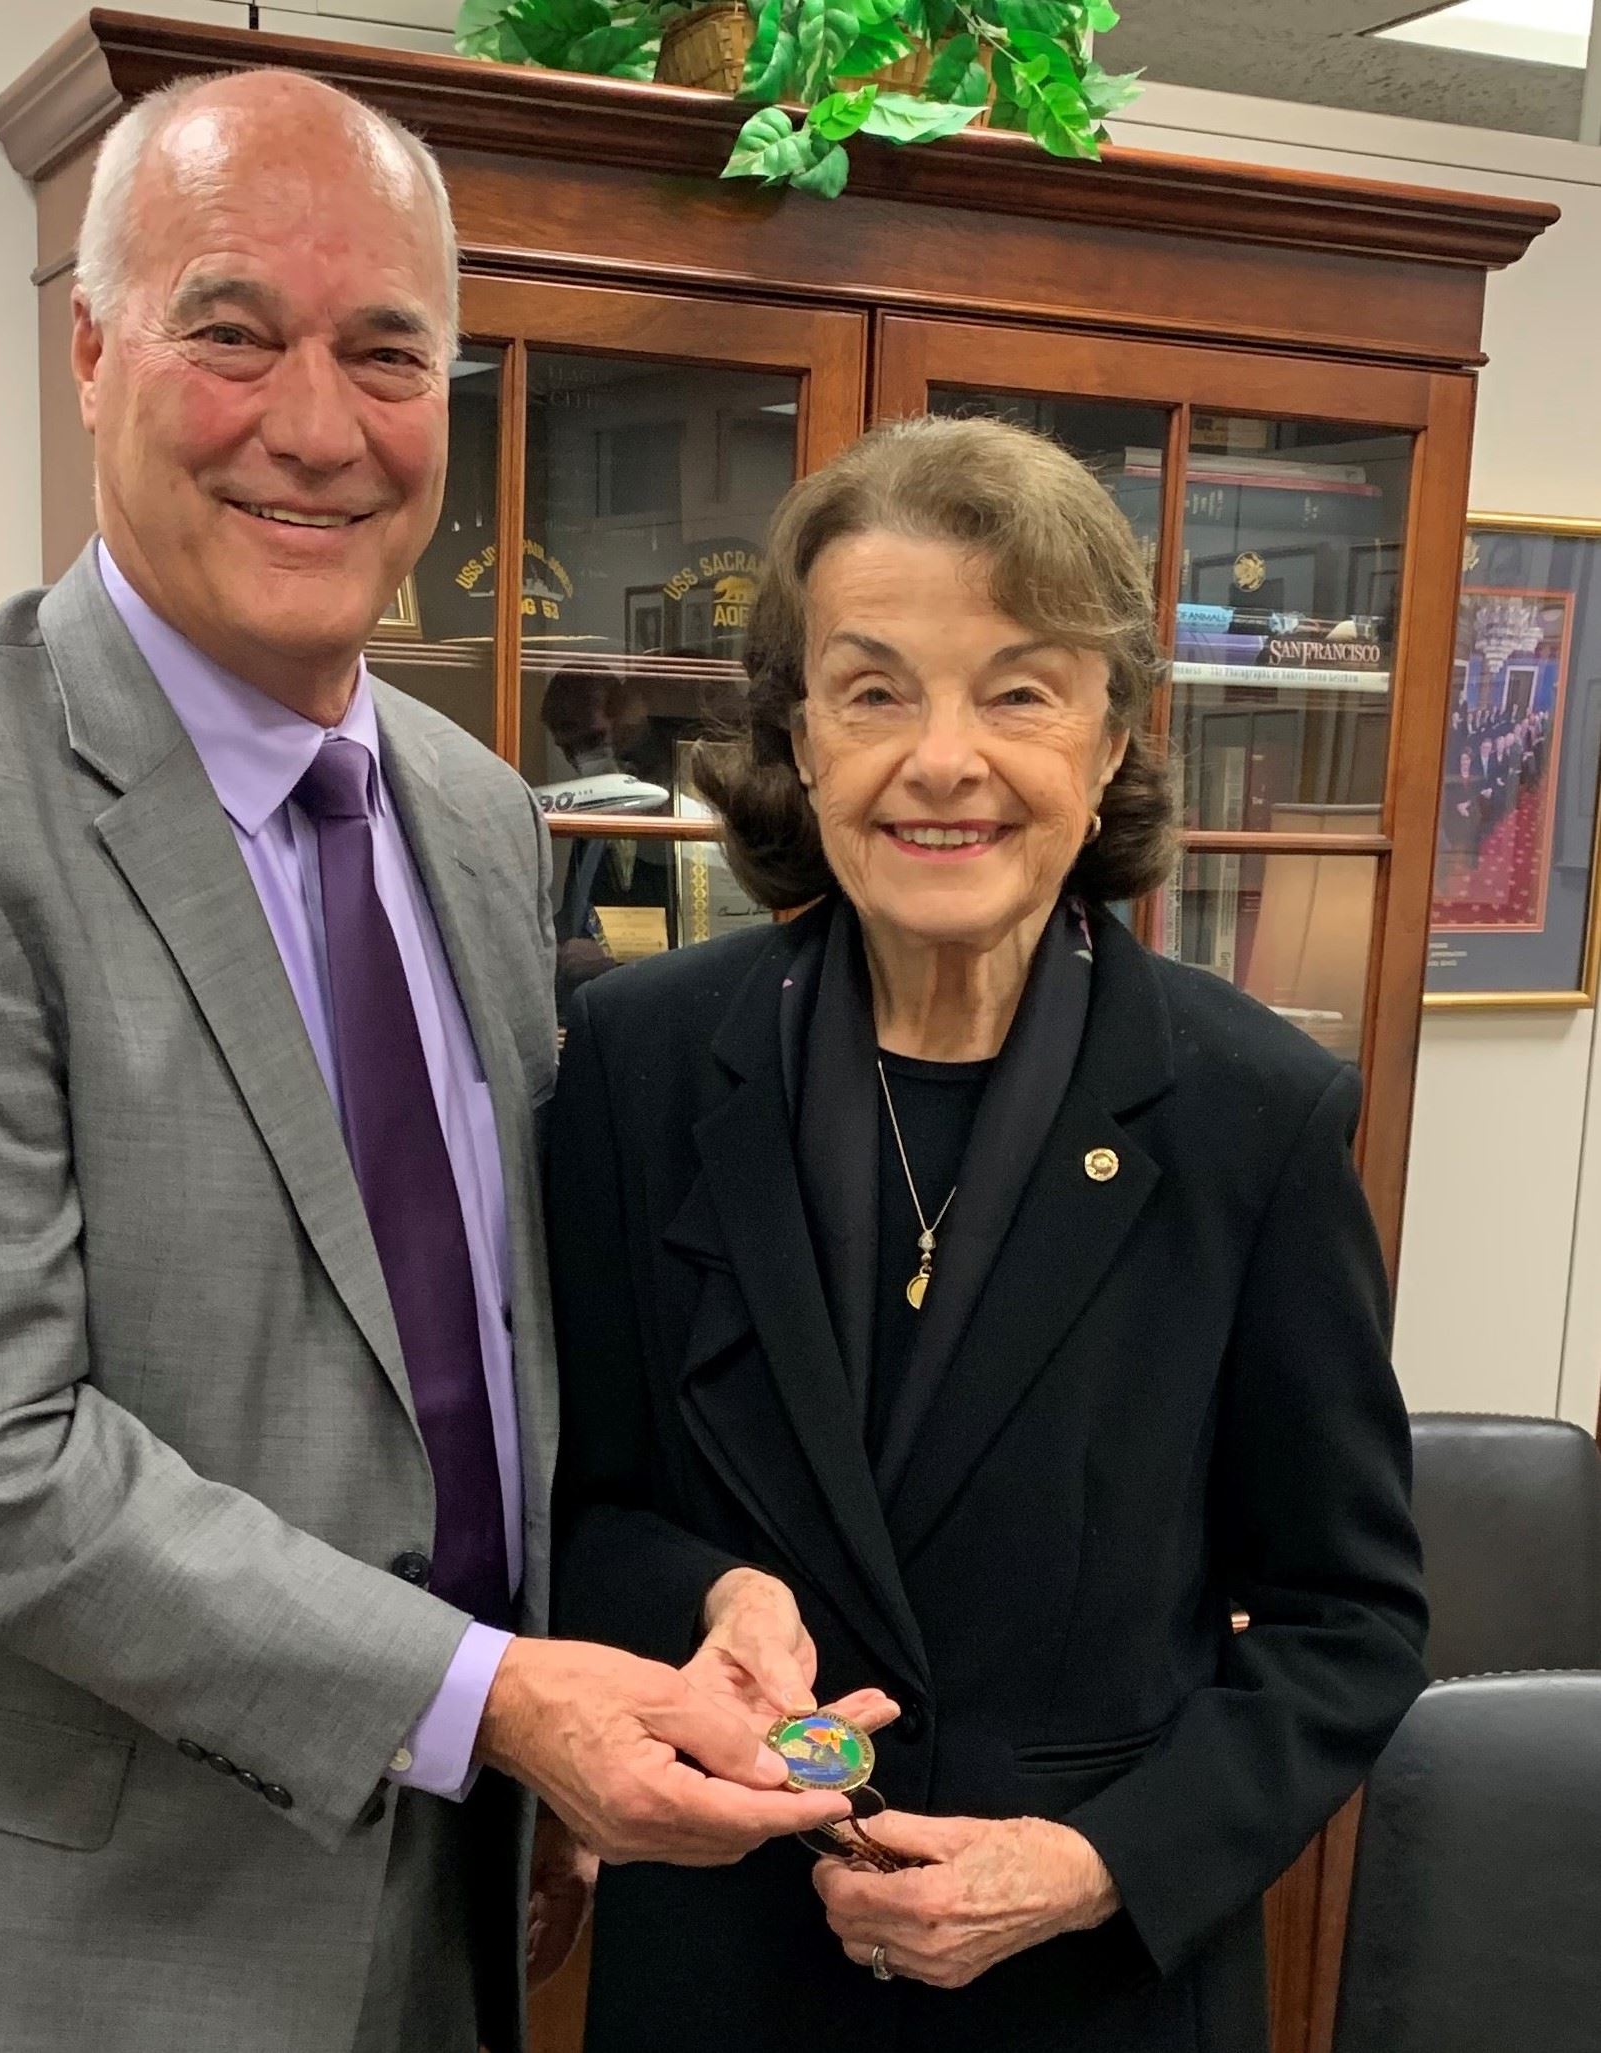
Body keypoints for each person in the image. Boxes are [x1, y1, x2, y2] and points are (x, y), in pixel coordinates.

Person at [0, 70, 848, 2053]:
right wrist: (497, 1697)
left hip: (429, 1904)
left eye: (387, 352)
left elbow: (479, 1368)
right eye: (233, 331)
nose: (315, 424)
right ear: (90, 347)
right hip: (37, 1953)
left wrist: (561, 1700)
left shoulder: (486, 827)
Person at [547, 415, 1428, 2053]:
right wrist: (716, 1591)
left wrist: (1091, 1861)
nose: (939, 757)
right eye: (872, 688)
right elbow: (571, 1499)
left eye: (1015, 689)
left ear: (1104, 747)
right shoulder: (639, 1063)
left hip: (1086, 1992)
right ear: (795, 740)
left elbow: (1346, 1617)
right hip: (727, 1965)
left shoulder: (1253, 1111)